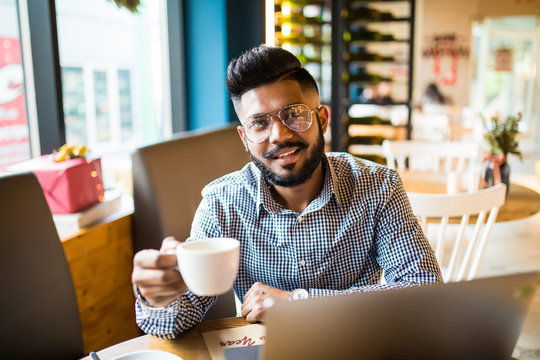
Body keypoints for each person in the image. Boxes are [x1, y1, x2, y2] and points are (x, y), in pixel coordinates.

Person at [131, 45, 442, 338]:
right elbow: (173, 322)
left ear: (321, 119)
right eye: (259, 123)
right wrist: (157, 297)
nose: (278, 135)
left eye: (293, 114)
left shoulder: (378, 186)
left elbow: (424, 292)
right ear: (244, 137)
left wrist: (298, 302)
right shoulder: (222, 205)